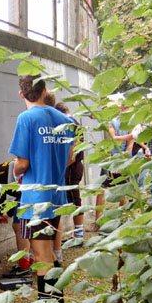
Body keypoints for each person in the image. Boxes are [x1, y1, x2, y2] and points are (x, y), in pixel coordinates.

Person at [9, 76, 74, 303]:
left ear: (21, 94)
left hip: (36, 197)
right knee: (50, 252)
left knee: (41, 254)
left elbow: (22, 163)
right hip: (57, 195)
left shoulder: (26, 118)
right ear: (45, 90)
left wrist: (15, 171)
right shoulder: (64, 119)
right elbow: (70, 158)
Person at [0, 159, 33, 278]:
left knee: (19, 227)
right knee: (28, 227)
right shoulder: (5, 168)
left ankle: (24, 266)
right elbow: (16, 197)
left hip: (26, 193)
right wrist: (9, 213)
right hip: (29, 190)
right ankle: (33, 259)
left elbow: (0, 196)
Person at [55, 102, 85, 241]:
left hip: (72, 166)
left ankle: (79, 233)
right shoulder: (74, 122)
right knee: (73, 198)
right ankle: (77, 232)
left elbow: (74, 148)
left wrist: (64, 165)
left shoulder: (70, 123)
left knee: (74, 198)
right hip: (74, 165)